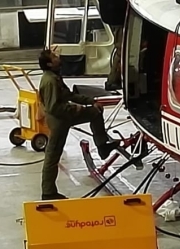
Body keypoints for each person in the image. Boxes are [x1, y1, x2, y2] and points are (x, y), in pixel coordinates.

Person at [37, 48, 120, 200]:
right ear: (49, 64)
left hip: (65, 116)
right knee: (52, 156)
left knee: (95, 113)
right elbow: (53, 107)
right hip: (59, 120)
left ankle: (102, 146)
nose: (58, 57)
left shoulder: (55, 77)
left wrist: (91, 101)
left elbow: (69, 95)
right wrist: (77, 108)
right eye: (54, 57)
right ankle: (48, 192)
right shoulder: (49, 81)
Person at [95, 0, 129, 91]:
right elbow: (116, 2)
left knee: (120, 49)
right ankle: (113, 80)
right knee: (121, 50)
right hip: (117, 20)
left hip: (113, 18)